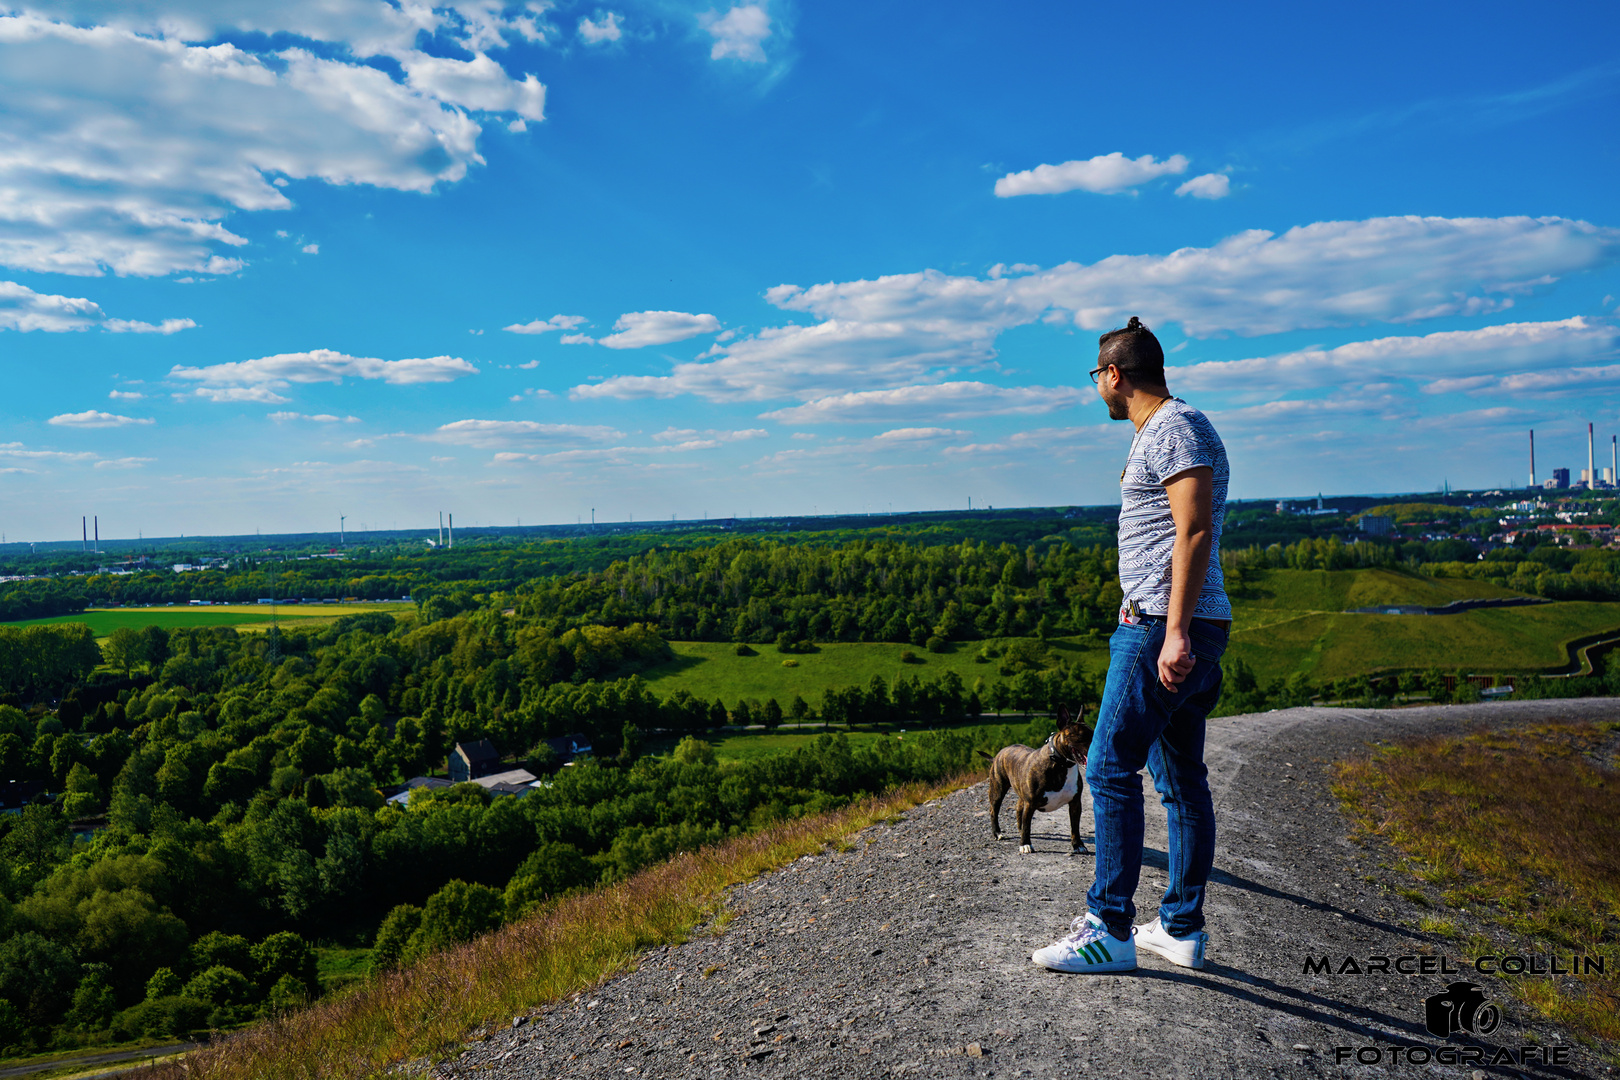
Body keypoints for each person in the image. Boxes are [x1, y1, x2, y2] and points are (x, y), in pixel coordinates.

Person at [1032, 316, 1230, 974]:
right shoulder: (1175, 428)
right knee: (1178, 779)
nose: (1098, 389)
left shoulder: (1173, 427)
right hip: (1177, 624)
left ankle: (1108, 928)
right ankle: (1180, 928)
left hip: (1157, 627)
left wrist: (1172, 631)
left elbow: (1194, 529)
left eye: (1097, 377)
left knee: (1112, 766)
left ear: (1113, 375)